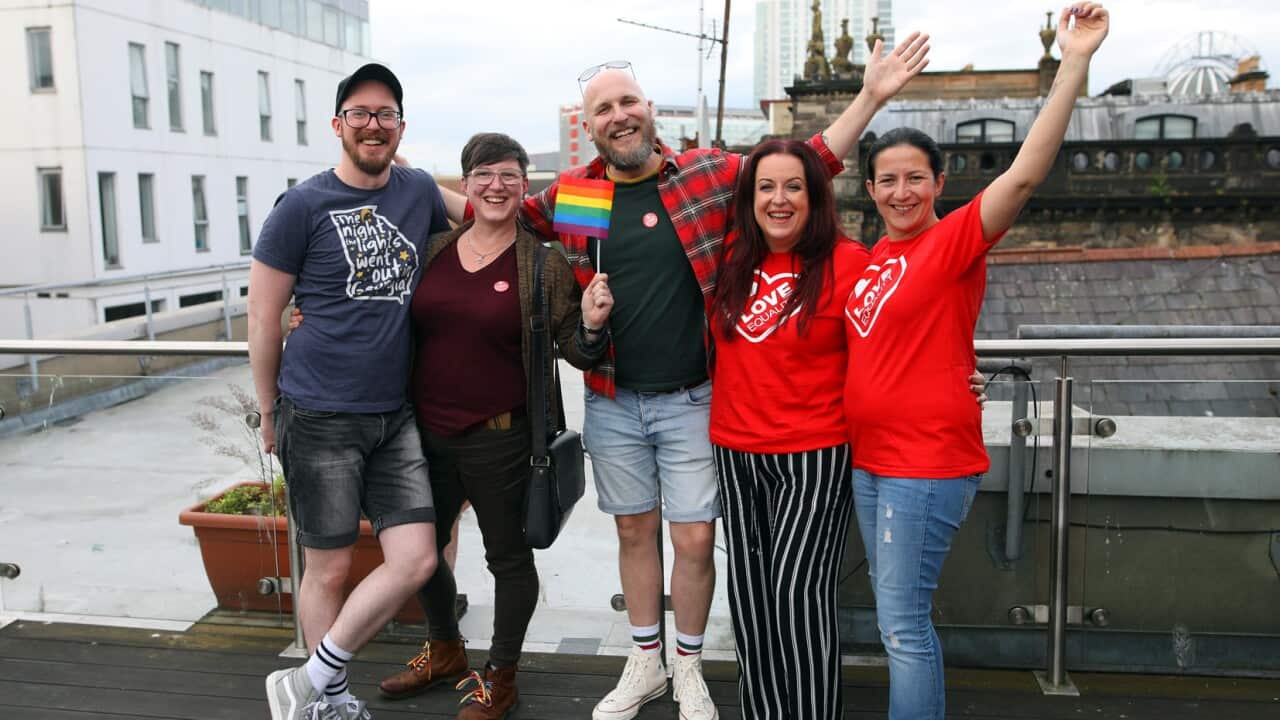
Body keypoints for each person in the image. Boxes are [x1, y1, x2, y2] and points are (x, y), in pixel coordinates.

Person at [434, 36, 932, 720]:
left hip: (697, 398)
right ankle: (646, 664)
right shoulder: (578, 193)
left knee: (695, 538)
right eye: (604, 108)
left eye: (628, 101)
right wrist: (396, 177)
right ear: (591, 124)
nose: (619, 115)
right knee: (634, 533)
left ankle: (689, 665)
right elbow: (494, 208)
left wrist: (872, 95)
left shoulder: (705, 175)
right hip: (612, 398)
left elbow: (807, 163)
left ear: (649, 109)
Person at [842, 6, 1110, 719]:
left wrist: (1075, 60)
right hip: (870, 459)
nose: (901, 192)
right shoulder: (873, 258)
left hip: (923, 463)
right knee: (896, 616)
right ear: (869, 190)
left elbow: (1023, 176)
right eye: (886, 181)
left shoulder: (954, 241)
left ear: (938, 182)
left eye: (914, 178)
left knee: (902, 626)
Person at [369, 132, 613, 719]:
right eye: (484, 175)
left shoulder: (542, 263)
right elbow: (381, 315)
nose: (496, 185)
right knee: (420, 552)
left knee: (507, 559)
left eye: (508, 175)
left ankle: (499, 677)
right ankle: (446, 648)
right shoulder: (432, 250)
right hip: (424, 435)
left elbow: (576, 353)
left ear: (523, 185)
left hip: (502, 438)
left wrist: (591, 323)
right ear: (466, 185)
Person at [248, 62, 448, 720]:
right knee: (327, 569)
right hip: (320, 413)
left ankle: (307, 682)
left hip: (395, 415)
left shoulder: (418, 190)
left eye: (385, 114)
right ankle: (325, 703)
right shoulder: (300, 206)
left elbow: (497, 206)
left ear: (400, 127)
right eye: (359, 113)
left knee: (417, 558)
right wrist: (270, 411)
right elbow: (263, 319)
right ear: (338, 125)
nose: (372, 124)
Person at [707, 140, 869, 719]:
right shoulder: (730, 257)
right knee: (750, 599)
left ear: (816, 194)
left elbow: (896, 343)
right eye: (766, 187)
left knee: (798, 595)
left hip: (815, 454)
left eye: (794, 186)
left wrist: (958, 379)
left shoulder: (851, 262)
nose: (779, 199)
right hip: (734, 449)